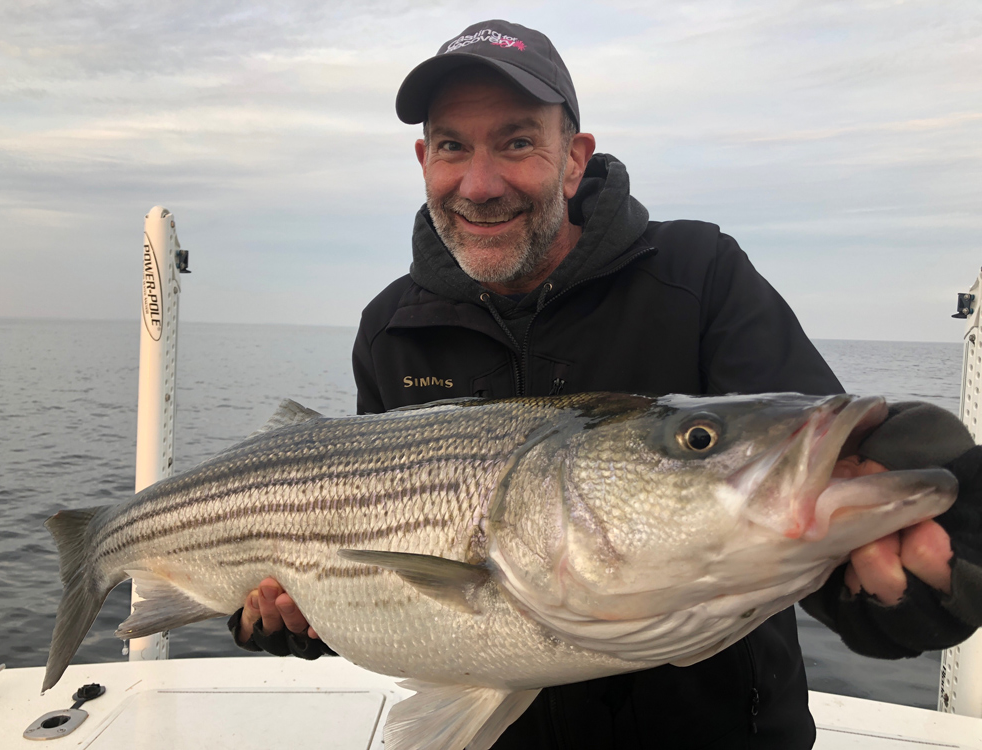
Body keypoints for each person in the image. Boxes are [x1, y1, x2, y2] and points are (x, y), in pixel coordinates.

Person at [227, 20, 982, 748]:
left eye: (518, 141)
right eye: (453, 147)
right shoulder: (391, 325)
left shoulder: (699, 277)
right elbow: (359, 573)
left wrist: (930, 578)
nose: (480, 183)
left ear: (574, 157)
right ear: (424, 160)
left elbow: (816, 520)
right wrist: (296, 623)